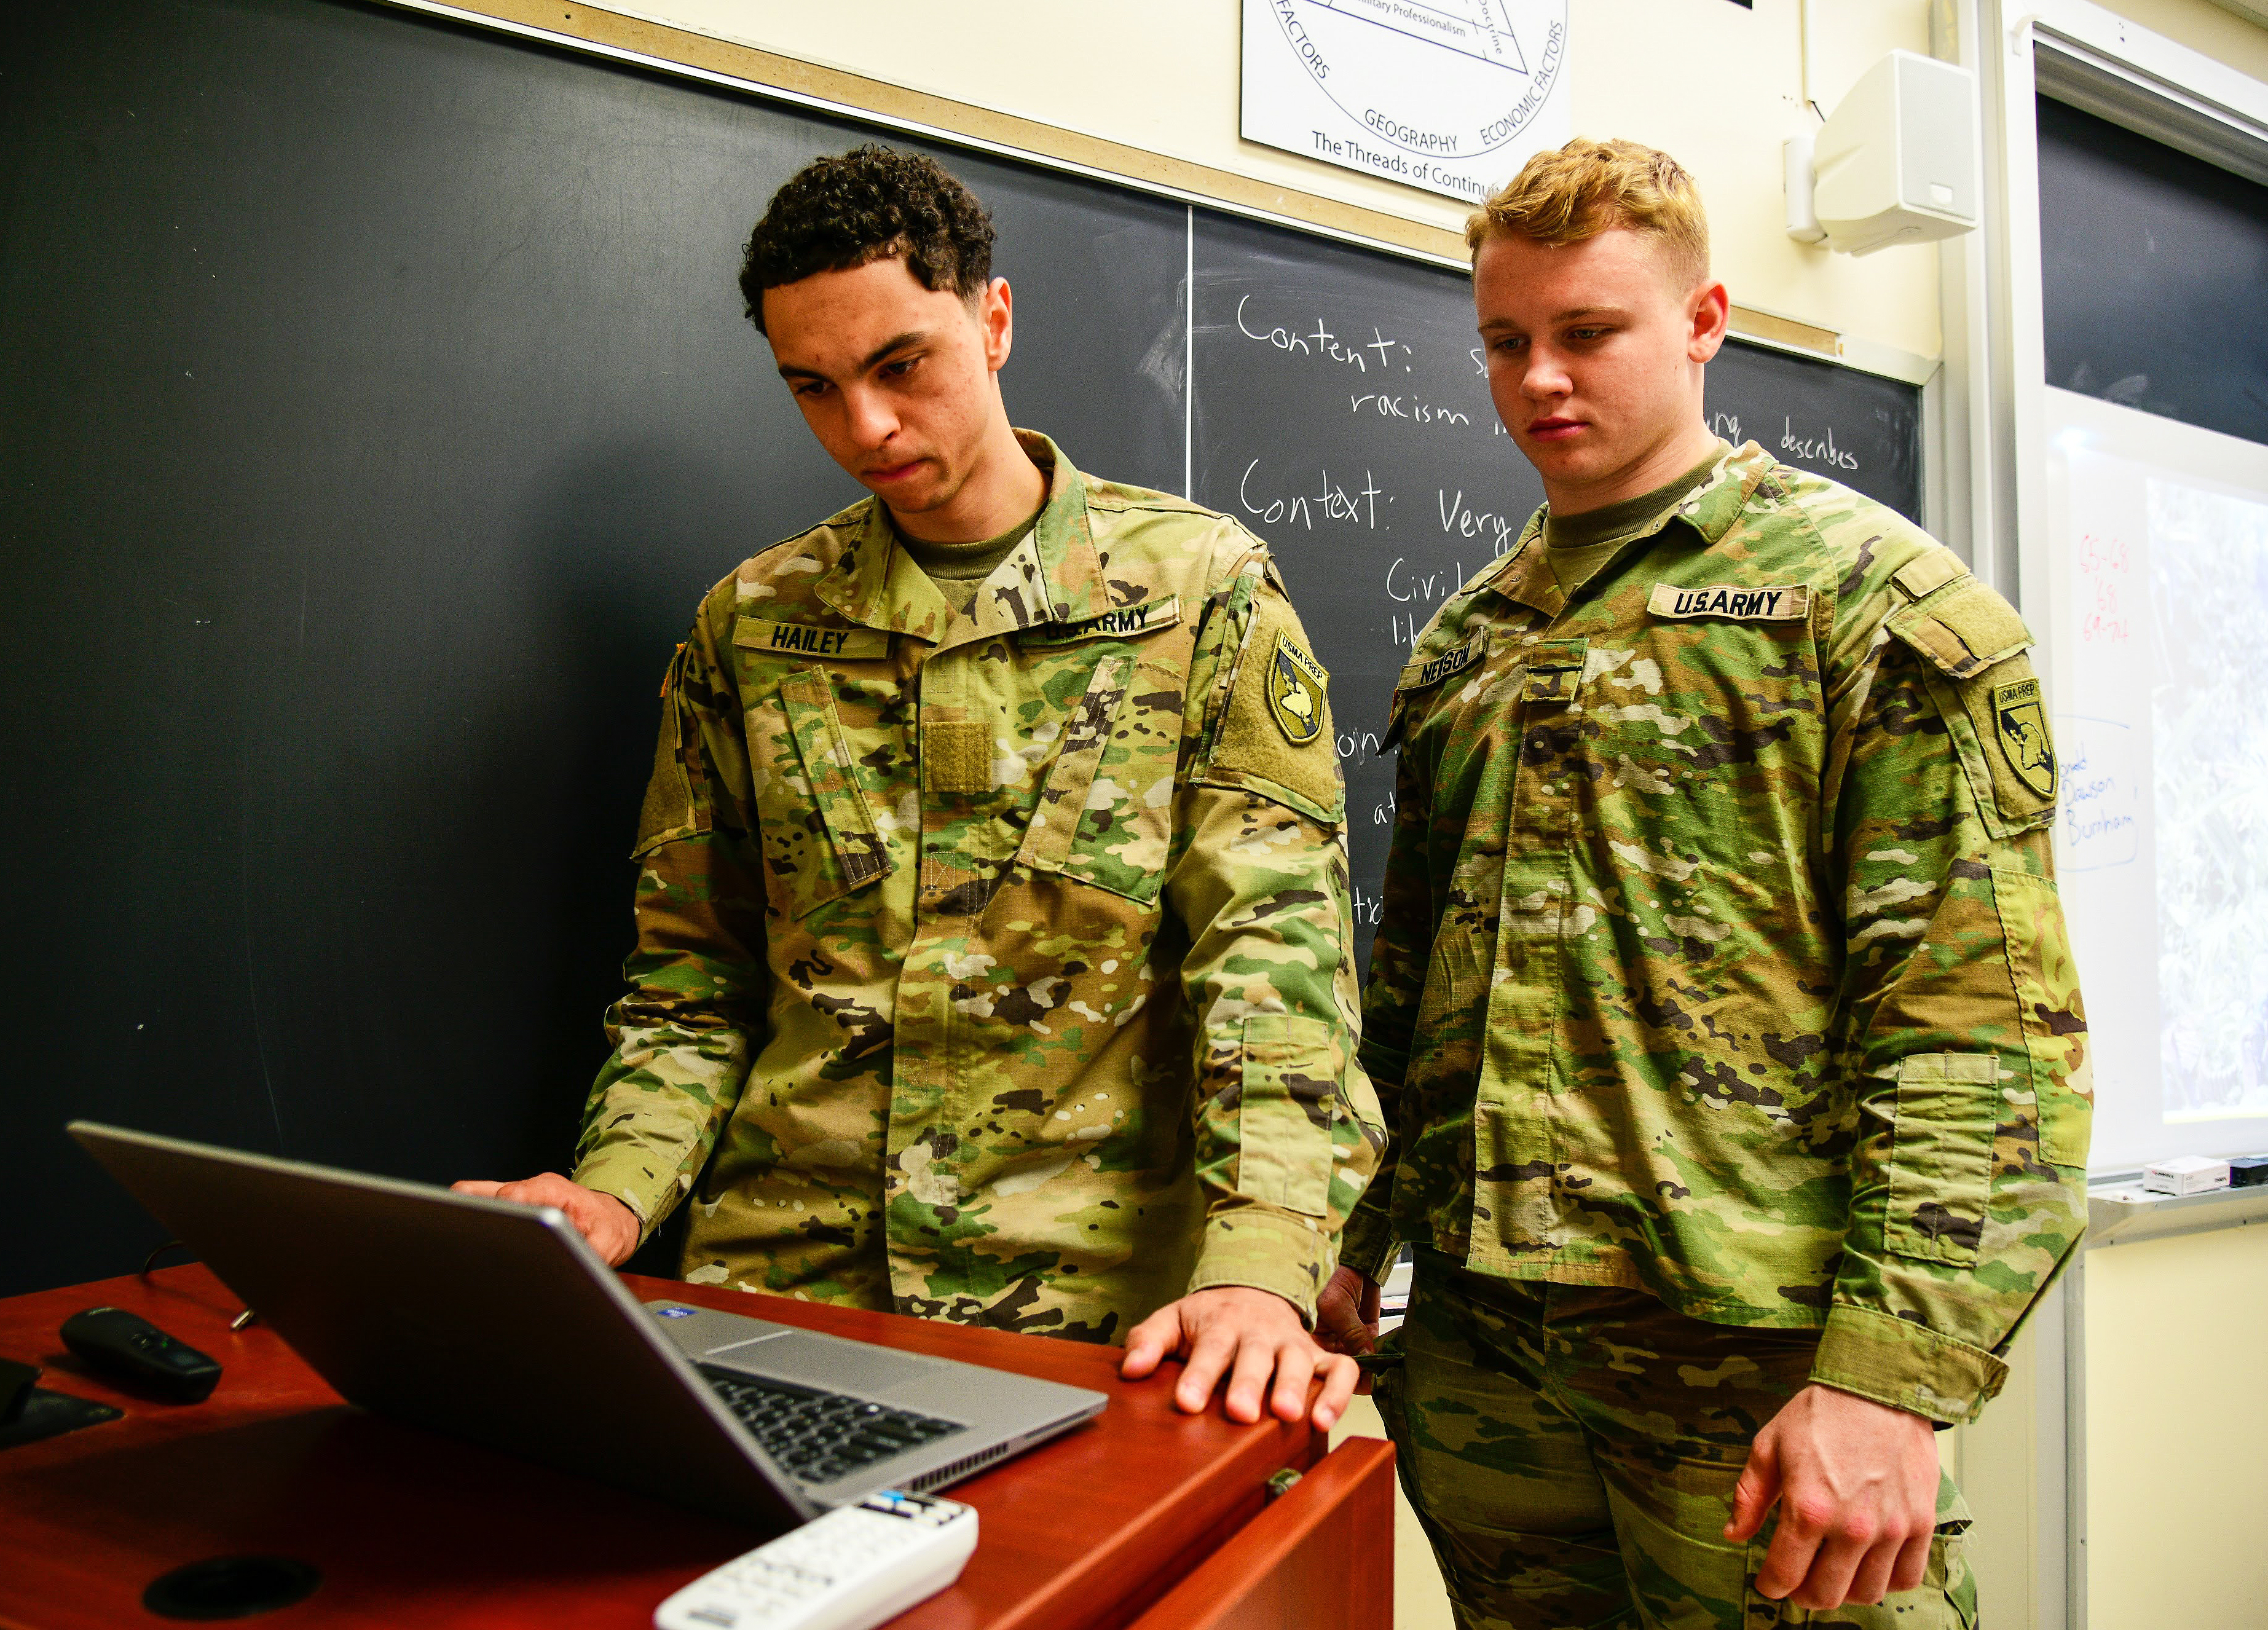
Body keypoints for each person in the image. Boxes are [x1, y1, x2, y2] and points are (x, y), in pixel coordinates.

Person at [457, 146, 1384, 1431]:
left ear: (992, 321)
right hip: (786, 1293)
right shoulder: (756, 624)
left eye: (903, 367)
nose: (867, 429)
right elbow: (693, 977)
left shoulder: (1196, 593)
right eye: (814, 390)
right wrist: (612, 1192)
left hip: (1100, 1320)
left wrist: (1260, 1270)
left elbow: (1273, 967)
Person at [1315, 138, 2091, 1626]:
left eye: (1588, 333)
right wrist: (1354, 1239)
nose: (1539, 378)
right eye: (1505, 340)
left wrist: (1890, 1383)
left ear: (1703, 320)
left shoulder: (1872, 606)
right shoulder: (1472, 641)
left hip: (1757, 1371)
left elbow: (1985, 1038)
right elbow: (1406, 998)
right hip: (1490, 1363)